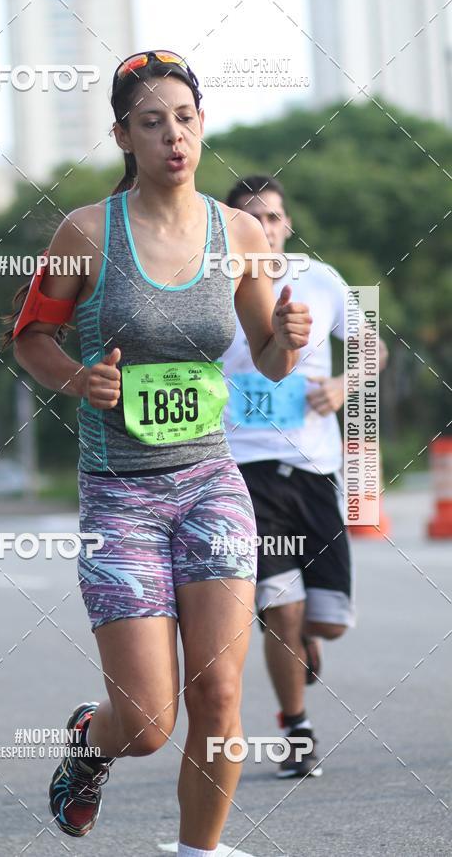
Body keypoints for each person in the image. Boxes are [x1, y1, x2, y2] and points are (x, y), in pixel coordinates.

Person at [5, 51, 311, 856]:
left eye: (184, 117)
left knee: (218, 696)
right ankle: (91, 740)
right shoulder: (85, 233)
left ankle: (196, 851)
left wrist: (285, 338)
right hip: (120, 496)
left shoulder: (238, 232)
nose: (173, 135)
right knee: (145, 720)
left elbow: (267, 357)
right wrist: (79, 380)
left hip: (213, 481)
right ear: (122, 137)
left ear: (202, 125)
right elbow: (29, 336)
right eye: (151, 122)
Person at [222, 175, 388, 778]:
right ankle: (297, 727)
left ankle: (299, 642)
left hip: (316, 469)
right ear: (231, 229)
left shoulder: (322, 279)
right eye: (250, 218)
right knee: (282, 603)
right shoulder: (212, 285)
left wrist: (345, 385)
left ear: (287, 224)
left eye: (273, 217)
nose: (264, 228)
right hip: (244, 468)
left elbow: (375, 349)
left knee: (326, 621)